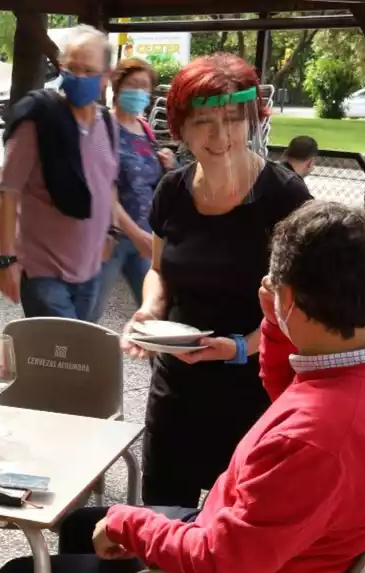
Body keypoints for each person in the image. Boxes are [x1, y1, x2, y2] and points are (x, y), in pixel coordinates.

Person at [0, 201, 365, 573]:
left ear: (289, 295)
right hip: (292, 556)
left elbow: (219, 569)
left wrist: (131, 526)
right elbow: (293, 397)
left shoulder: (315, 439)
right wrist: (275, 322)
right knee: (83, 526)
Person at [122, 54, 312, 507]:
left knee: (239, 525)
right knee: (165, 518)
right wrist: (150, 310)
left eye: (232, 119)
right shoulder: (173, 190)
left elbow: (302, 302)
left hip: (256, 390)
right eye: (204, 121)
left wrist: (240, 347)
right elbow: (158, 270)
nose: (220, 135)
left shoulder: (284, 197)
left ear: (252, 121)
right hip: (178, 387)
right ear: (182, 128)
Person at [0, 25, 119, 320]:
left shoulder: (108, 125)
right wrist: (6, 260)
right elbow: (8, 192)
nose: (78, 77)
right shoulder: (38, 121)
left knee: (75, 361)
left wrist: (111, 231)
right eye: (71, 67)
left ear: (106, 77)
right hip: (43, 273)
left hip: (90, 272)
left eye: (88, 70)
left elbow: (108, 184)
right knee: (57, 361)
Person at [90, 58, 177, 323]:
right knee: (88, 314)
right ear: (117, 87)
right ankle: (74, 362)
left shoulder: (146, 130)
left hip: (144, 236)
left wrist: (169, 165)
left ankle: (161, 364)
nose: (139, 92)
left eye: (145, 86)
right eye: (133, 85)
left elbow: (150, 183)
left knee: (156, 316)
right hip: (111, 237)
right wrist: (134, 234)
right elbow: (103, 187)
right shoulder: (103, 127)